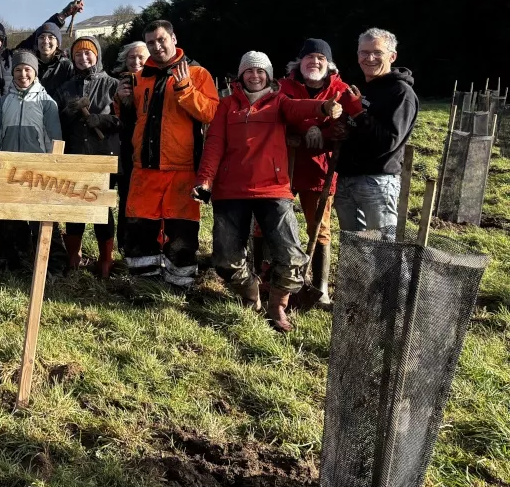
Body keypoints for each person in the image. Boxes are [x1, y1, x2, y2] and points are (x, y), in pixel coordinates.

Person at [196, 52, 344, 331]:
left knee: (291, 257)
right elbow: (214, 144)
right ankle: (252, 296)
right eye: (249, 71)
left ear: (268, 75)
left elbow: (301, 108)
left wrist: (324, 108)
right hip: (231, 190)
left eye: (260, 71)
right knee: (225, 259)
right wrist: (205, 180)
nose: (255, 76)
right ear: (241, 76)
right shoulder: (226, 105)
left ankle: (278, 306)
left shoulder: (279, 103)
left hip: (272, 189)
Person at [115, 20, 218, 291]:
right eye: (151, 43)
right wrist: (121, 102)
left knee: (181, 231)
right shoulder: (139, 78)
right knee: (139, 228)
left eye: (161, 40)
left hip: (182, 169)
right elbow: (129, 121)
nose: (156, 47)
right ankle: (144, 285)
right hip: (144, 168)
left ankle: (178, 286)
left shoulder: (198, 74)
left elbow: (211, 114)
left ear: (173, 38)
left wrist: (185, 89)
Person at [276, 39, 363, 306]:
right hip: (284, 165)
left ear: (329, 64)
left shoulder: (342, 89)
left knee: (320, 227)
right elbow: (276, 116)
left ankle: (320, 287)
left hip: (320, 169)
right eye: (309, 58)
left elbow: (353, 121)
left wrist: (329, 132)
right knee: (271, 223)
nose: (315, 62)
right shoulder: (283, 87)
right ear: (298, 63)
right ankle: (271, 275)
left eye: (320, 59)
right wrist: (306, 129)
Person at [335, 28, 419, 238]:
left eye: (377, 52)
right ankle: (358, 274)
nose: (369, 58)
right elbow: (360, 131)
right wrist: (342, 127)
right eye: (364, 52)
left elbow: (388, 141)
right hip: (347, 179)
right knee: (355, 250)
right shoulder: (366, 88)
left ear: (392, 56)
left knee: (382, 250)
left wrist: (358, 114)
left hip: (377, 182)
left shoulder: (400, 93)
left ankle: (390, 274)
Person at [0, 51, 64, 269]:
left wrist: (53, 173)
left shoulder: (47, 103)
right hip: (8, 169)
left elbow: (54, 141)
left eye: (27, 70)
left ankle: (53, 262)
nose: (22, 74)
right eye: (18, 70)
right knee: (8, 217)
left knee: (42, 219)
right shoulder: (3, 102)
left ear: (35, 73)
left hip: (38, 171)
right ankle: (12, 259)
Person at [55, 37, 121, 277]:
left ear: (97, 55)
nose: (83, 58)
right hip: (76, 154)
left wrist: (100, 119)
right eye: (78, 55)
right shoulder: (65, 87)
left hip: (104, 156)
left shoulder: (112, 85)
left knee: (102, 209)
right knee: (75, 206)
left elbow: (125, 120)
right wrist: (69, 112)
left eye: (88, 54)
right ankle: (74, 255)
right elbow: (58, 122)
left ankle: (106, 260)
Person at [114, 40, 148, 250]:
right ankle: (126, 247)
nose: (136, 61)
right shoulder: (119, 83)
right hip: (126, 150)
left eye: (141, 57)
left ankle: (149, 245)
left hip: (150, 149)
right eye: (131, 57)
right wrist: (117, 98)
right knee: (126, 197)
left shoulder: (157, 81)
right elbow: (113, 119)